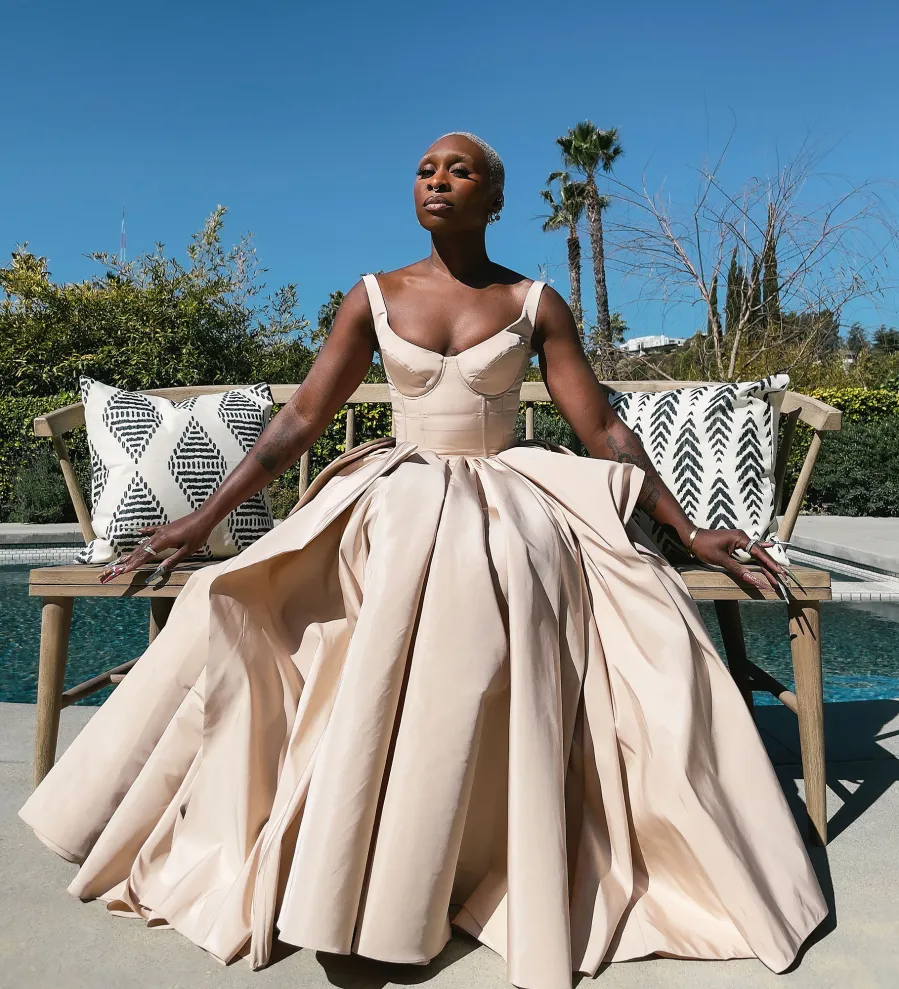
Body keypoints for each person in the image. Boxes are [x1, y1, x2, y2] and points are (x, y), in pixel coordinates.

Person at [20, 132, 827, 989]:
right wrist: (203, 517)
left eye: (461, 171)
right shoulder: (371, 296)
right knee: (280, 577)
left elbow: (603, 432)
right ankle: (340, 858)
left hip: (507, 485)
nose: (438, 180)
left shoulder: (534, 301)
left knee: (509, 564)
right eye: (425, 170)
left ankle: (443, 857)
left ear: (493, 199)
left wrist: (689, 529)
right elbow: (299, 418)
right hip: (393, 484)